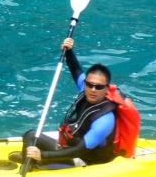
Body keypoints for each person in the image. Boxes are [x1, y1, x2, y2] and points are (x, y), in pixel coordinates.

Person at [21, 37, 118, 167]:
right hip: (71, 148)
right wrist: (68, 51)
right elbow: (75, 69)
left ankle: (32, 165)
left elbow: (80, 150)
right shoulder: (85, 90)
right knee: (30, 135)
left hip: (85, 160)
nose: (93, 89)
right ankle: (29, 162)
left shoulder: (105, 120)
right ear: (86, 84)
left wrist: (43, 155)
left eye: (99, 87)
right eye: (90, 84)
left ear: (107, 88)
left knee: (35, 143)